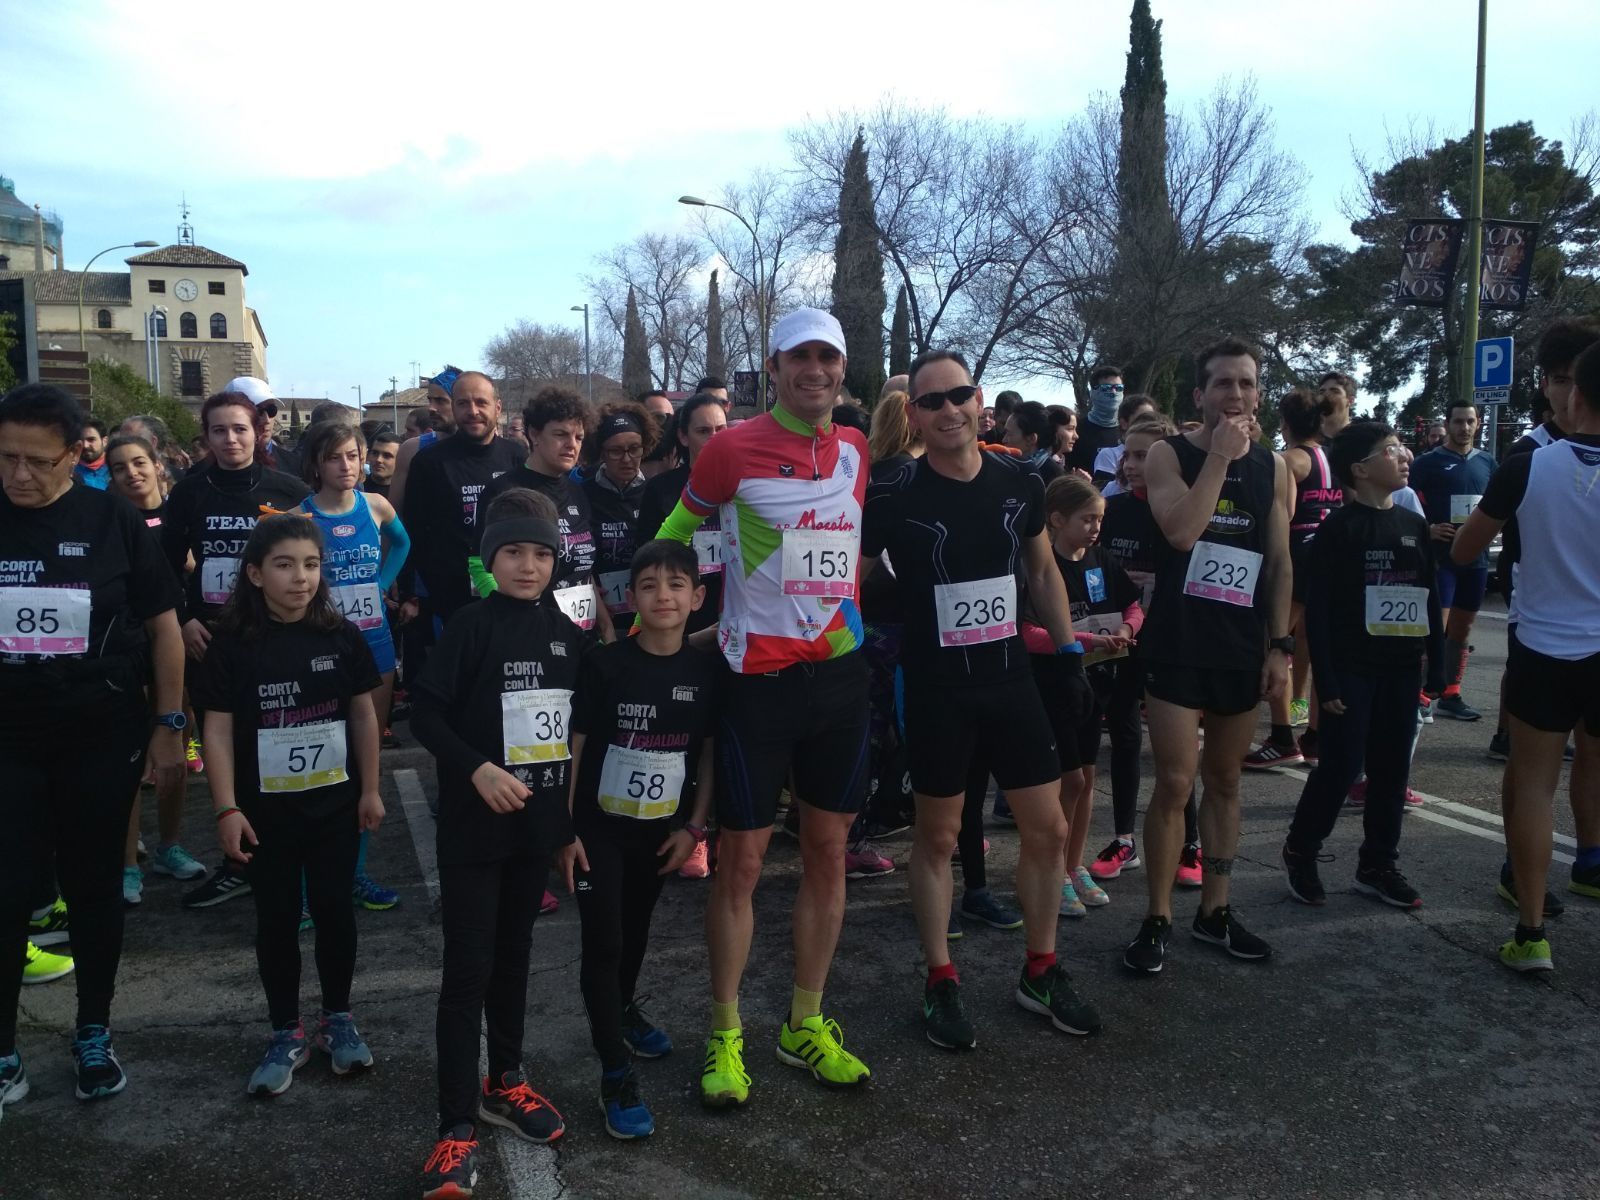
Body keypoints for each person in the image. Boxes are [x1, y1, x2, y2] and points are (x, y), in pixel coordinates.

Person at [649, 307, 873, 1105]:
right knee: (741, 865)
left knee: (825, 853)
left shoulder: (854, 448)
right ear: (773, 368)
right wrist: (661, 624)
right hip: (757, 684)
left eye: (828, 357)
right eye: (799, 357)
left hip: (841, 680)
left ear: (841, 368)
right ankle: (726, 1032)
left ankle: (804, 1024)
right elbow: (676, 537)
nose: (815, 370)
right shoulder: (730, 449)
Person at [862, 349, 1101, 1051]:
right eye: (931, 402)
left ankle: (1041, 969)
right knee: (937, 838)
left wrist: (1067, 654)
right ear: (914, 414)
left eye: (957, 396)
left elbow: (1041, 569)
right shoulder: (894, 490)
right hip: (937, 686)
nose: (946, 411)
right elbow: (854, 575)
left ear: (979, 402)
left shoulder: (1020, 480)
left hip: (1009, 680)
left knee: (1050, 830)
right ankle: (940, 979)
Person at [0, 383, 185, 1111]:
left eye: (35, 461)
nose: (17, 475)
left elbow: (165, 627)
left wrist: (169, 728)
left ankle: (94, 1031)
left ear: (78, 455)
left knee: (93, 888)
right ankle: (4, 1046)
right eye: (5, 458)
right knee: (9, 890)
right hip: (7, 736)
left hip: (97, 731)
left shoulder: (114, 519)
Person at [411, 489, 582, 1195]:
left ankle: (505, 1080)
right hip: (474, 830)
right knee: (468, 970)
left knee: (515, 957)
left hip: (533, 831)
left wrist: (564, 830)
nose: (527, 565)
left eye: (541, 554)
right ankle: (454, 1127)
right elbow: (425, 716)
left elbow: (574, 736)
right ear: (491, 560)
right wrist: (477, 769)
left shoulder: (568, 637)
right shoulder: (472, 628)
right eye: (513, 552)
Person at [193, 514, 385, 1094]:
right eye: (283, 565)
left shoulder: (340, 636)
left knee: (334, 914)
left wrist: (371, 789)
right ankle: (285, 1030)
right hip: (264, 815)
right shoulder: (231, 646)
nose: (300, 578)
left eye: (310, 564)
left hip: (334, 809)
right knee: (276, 920)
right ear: (253, 573)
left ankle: (338, 1019)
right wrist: (226, 809)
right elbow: (217, 733)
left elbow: (363, 715)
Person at [1123, 337, 1292, 974]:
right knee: (1173, 782)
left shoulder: (1274, 467)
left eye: (1247, 384)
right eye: (1224, 384)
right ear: (1200, 395)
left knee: (1224, 781)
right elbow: (1182, 531)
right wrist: (1219, 459)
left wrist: (1280, 645)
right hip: (1179, 641)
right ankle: (1157, 916)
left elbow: (1278, 561)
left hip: (1240, 645)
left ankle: (1215, 911)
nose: (1237, 396)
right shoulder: (1169, 453)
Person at [1452, 339, 1600, 972]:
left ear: (1573, 393)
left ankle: (1532, 932)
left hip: (1543, 645)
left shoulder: (1526, 464)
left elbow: (1466, 552)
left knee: (1535, 789)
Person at [568, 540, 719, 1139]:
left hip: (662, 833)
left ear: (697, 598)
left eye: (676, 585)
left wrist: (694, 829)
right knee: (603, 939)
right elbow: (574, 747)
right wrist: (566, 828)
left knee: (634, 933)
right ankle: (614, 1073)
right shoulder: (606, 664)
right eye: (650, 586)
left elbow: (706, 755)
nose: (663, 596)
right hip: (597, 830)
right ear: (630, 597)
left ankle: (623, 1009)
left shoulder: (705, 673)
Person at [1280, 421, 1444, 911]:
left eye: (1401, 447)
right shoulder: (1340, 528)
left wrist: (1438, 663)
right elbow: (1322, 612)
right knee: (1342, 765)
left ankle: (1378, 864)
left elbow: (1429, 600)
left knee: (1391, 771)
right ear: (1360, 470)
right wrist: (1326, 678)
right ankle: (1301, 849)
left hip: (1400, 667)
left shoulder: (1414, 525)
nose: (1404, 455)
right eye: (1390, 450)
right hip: (1351, 669)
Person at [162, 389, 312, 908]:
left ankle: (291, 851)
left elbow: (312, 561)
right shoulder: (189, 491)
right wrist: (182, 619)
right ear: (205, 437)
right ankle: (239, 862)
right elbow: (161, 566)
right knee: (225, 750)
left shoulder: (287, 489)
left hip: (277, 638)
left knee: (276, 744)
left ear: (257, 433)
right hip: (213, 641)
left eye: (240, 429)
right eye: (219, 431)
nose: (230, 440)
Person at [297, 421, 409, 907]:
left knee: (366, 762)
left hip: (376, 644)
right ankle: (305, 889)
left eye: (353, 455)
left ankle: (355, 872)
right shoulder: (300, 516)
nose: (346, 466)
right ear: (316, 464)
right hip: (320, 651)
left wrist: (382, 583)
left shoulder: (377, 506)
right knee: (320, 764)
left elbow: (403, 545)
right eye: (334, 457)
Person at [1091, 415, 1204, 888]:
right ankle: (1124, 839)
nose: (1132, 464)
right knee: (1122, 734)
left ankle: (1191, 844)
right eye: (1128, 453)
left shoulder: (1180, 510)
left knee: (1173, 753)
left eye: (1143, 455)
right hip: (1119, 639)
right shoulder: (1111, 509)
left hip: (1171, 638)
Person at [1487, 317, 1600, 762]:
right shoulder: (1527, 455)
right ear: (1547, 385)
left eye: (1578, 378)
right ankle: (1504, 734)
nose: (1571, 392)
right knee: (1530, 768)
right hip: (1535, 623)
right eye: (1560, 380)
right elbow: (1492, 544)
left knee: (1590, 772)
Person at [1032, 475, 1144, 918]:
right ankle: (1053, 869)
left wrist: (1125, 630)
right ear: (1056, 519)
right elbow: (1027, 634)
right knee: (1066, 781)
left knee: (1086, 779)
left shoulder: (1101, 560)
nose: (1096, 528)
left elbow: (1134, 604)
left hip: (1094, 687)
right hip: (1051, 686)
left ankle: (1074, 865)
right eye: (1088, 519)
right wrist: (1083, 640)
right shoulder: (1040, 567)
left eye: (1100, 519)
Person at [106, 432, 204, 903]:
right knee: (129, 761)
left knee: (176, 754)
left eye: (139, 462)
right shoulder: (109, 521)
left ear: (158, 465)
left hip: (175, 643)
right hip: (125, 649)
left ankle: (169, 845)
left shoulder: (177, 515)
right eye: (120, 466)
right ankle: (127, 864)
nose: (132, 472)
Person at [1243, 389, 1342, 770]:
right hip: (1330, 556)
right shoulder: (1332, 457)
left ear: (1285, 424)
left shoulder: (1291, 461)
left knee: (1278, 645)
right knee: (1318, 650)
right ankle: (1316, 737)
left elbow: (1275, 509)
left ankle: (1283, 735)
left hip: (1298, 555)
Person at [473, 386, 610, 648]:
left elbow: (583, 570)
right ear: (534, 434)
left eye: (579, 437)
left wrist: (606, 626)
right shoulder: (504, 490)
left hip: (581, 636)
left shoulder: (577, 492)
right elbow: (478, 565)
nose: (572, 445)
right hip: (527, 636)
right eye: (560, 434)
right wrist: (511, 620)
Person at [401, 371, 523, 627]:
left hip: (513, 587)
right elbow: (413, 531)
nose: (473, 411)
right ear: (454, 408)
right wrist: (410, 592)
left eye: (481, 402)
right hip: (452, 600)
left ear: (497, 407)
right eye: (463, 403)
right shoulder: (429, 462)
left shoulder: (517, 456)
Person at [1407, 398, 1495, 721]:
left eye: (1470, 421)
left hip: (1477, 559)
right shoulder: (1428, 462)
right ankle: (1419, 693)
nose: (1465, 427)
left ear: (1478, 423)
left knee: (1463, 628)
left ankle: (1451, 693)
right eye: (1458, 421)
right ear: (1448, 423)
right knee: (1434, 627)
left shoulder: (1487, 462)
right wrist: (1427, 529)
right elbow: (1403, 503)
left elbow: (1497, 507)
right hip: (1441, 559)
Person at [638, 393, 728, 639]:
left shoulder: (747, 489)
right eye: (703, 431)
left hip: (736, 618)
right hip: (682, 624)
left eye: (721, 429)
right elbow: (646, 561)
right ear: (683, 437)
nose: (715, 439)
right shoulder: (660, 490)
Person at [583, 403, 657, 631]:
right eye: (616, 451)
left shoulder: (655, 492)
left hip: (649, 612)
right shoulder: (583, 494)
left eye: (634, 448)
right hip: (601, 612)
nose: (627, 459)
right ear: (601, 452)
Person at [390, 366, 463, 513]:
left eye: (441, 401)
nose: (431, 408)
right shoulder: (412, 449)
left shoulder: (485, 449)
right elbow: (393, 517)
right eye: (430, 400)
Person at [224, 376, 299, 477]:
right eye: (258, 411)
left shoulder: (296, 465)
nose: (266, 420)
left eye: (271, 410)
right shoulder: (203, 476)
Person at [1092, 393, 1159, 491]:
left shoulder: (1162, 449)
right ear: (1124, 423)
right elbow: (1103, 493)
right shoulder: (1109, 455)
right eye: (1125, 456)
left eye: (1152, 419)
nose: (1129, 465)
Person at [1070, 365, 1126, 475]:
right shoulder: (1076, 430)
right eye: (1106, 388)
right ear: (1093, 393)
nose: (1114, 393)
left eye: (1118, 388)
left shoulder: (1127, 430)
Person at [1002, 400, 1066, 483]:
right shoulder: (1012, 467)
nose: (1004, 440)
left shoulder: (1054, 479)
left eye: (1009, 434)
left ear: (1031, 439)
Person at [74, 418, 110, 489]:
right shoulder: (69, 470)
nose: (85, 445)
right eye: (81, 440)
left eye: (91, 440)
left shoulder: (115, 468)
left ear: (104, 441)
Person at [365, 430, 401, 499]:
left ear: (400, 460)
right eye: (375, 453)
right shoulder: (356, 489)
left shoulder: (405, 493)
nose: (378, 460)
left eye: (387, 456)